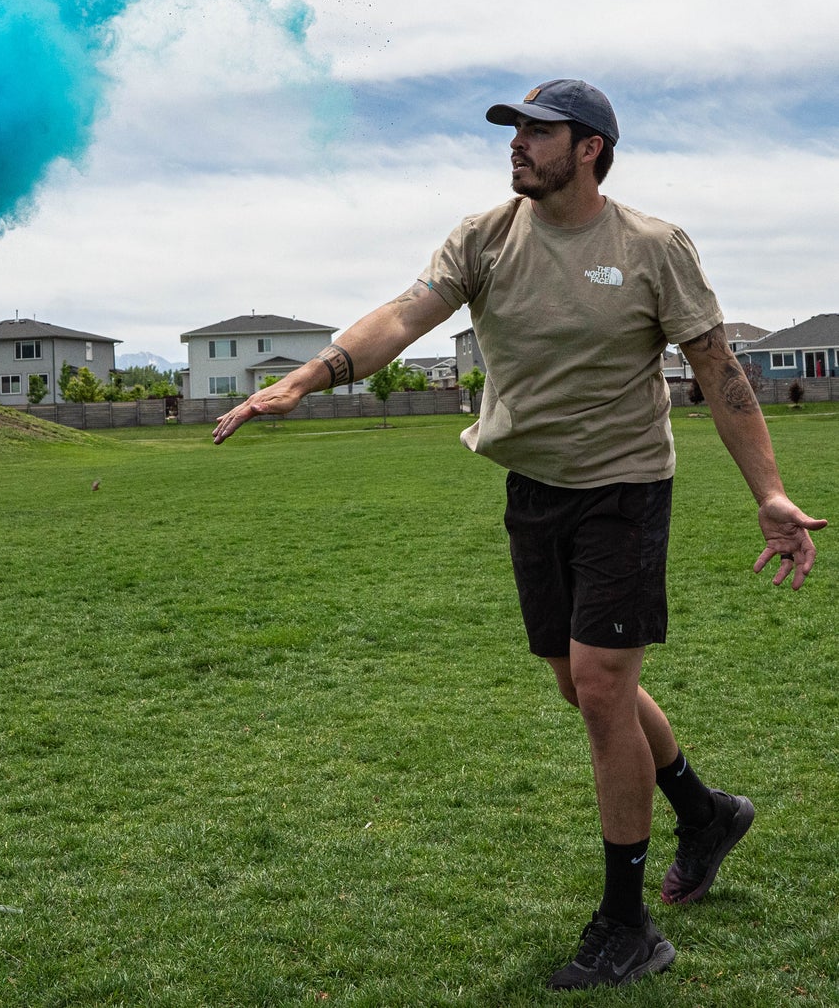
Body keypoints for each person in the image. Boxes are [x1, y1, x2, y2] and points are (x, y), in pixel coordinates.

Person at [212, 79, 825, 992]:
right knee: (577, 687)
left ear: (589, 148)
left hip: (624, 486)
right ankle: (704, 811)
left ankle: (627, 924)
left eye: (538, 131)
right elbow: (402, 316)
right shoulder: (483, 237)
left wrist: (769, 493)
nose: (517, 144)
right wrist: (308, 377)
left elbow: (715, 366)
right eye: (514, 130)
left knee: (601, 686)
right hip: (533, 488)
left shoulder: (651, 247)